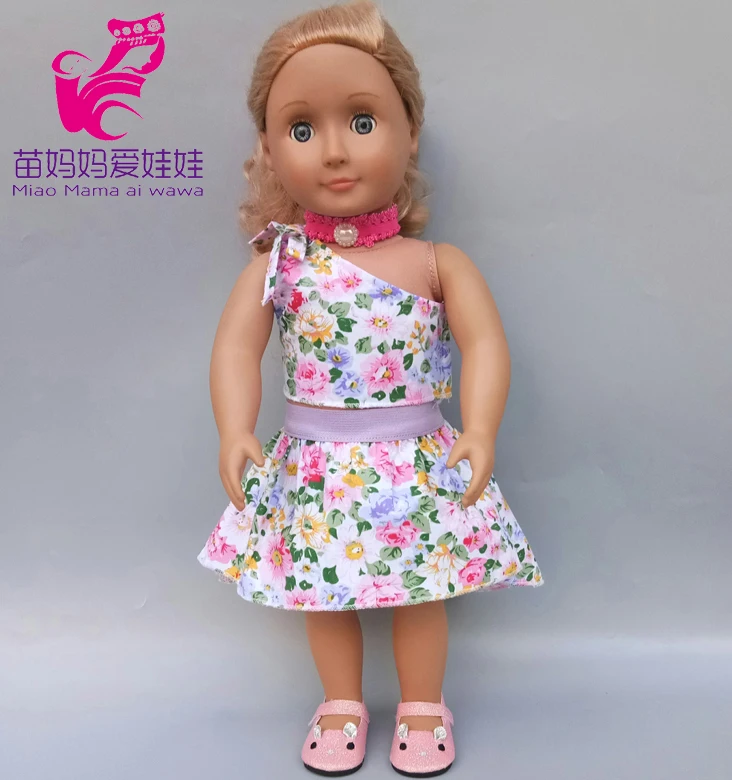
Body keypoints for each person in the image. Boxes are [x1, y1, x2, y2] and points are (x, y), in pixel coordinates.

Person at [197, 1, 544, 775]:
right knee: (324, 591)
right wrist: (235, 429)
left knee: (420, 590)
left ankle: (422, 705)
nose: (333, 151)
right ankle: (341, 703)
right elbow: (235, 348)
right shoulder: (279, 264)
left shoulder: (436, 264)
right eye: (300, 128)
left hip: (415, 459)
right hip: (315, 464)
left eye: (362, 121)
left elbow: (486, 343)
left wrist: (479, 428)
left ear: (409, 129)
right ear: (267, 147)